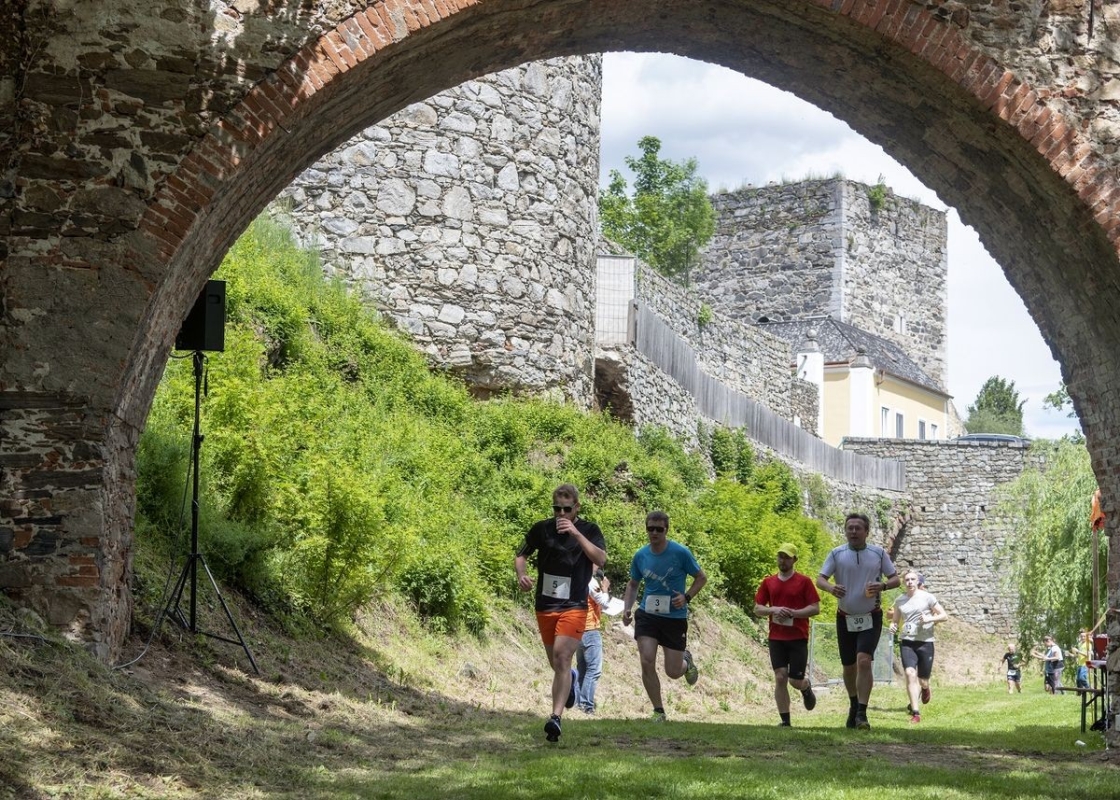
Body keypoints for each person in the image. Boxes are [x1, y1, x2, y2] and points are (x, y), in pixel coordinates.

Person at [515, 484, 607, 742]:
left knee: (562, 657)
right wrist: (521, 575)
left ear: (577, 507)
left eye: (567, 509)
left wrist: (576, 534)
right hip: (546, 605)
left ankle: (555, 719)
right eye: (557, 509)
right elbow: (521, 555)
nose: (562, 514)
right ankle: (571, 681)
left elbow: (600, 559)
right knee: (556, 664)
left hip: (575, 606)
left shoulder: (589, 530)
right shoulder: (541, 529)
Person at [621, 510, 708, 722]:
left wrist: (686, 597)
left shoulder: (680, 553)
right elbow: (633, 584)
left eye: (659, 529)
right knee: (646, 659)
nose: (654, 533)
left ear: (666, 530)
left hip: (674, 618)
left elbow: (701, 577)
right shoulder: (641, 555)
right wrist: (627, 608)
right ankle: (658, 710)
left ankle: (686, 661)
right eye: (650, 528)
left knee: (673, 671)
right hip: (648, 615)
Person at [816, 512, 899, 730]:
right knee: (849, 667)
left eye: (857, 528)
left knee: (864, 660)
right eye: (849, 528)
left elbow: (895, 579)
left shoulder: (878, 554)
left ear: (866, 532)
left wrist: (882, 586)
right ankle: (853, 704)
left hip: (871, 615)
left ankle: (862, 712)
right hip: (845, 617)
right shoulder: (836, 553)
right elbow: (820, 579)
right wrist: (831, 588)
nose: (853, 531)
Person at [754, 542, 821, 726]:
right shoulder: (768, 582)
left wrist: (794, 613)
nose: (783, 560)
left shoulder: (804, 582)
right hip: (776, 637)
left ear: (794, 560)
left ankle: (805, 687)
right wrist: (774, 610)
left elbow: (815, 608)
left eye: (787, 557)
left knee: (794, 680)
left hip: (798, 637)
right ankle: (785, 721)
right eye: (780, 556)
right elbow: (757, 609)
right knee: (780, 676)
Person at [889, 570, 949, 723]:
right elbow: (895, 621)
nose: (909, 582)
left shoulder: (927, 597)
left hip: (925, 642)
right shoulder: (900, 600)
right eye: (907, 579)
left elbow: (944, 616)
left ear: (917, 582)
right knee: (909, 674)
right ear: (903, 582)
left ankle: (925, 687)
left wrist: (929, 618)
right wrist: (893, 627)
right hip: (907, 642)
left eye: (912, 579)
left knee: (923, 680)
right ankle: (916, 713)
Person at [575, 569, 622, 714]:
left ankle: (577, 702)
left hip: (577, 629)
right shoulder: (591, 581)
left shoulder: (576, 577)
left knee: (581, 668)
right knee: (594, 670)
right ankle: (586, 704)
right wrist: (605, 588)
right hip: (590, 630)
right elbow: (603, 602)